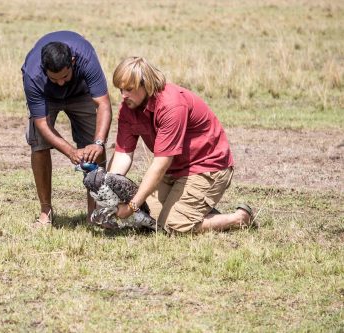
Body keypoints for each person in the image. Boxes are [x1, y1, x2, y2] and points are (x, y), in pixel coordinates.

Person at [108, 56, 255, 234]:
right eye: (120, 89)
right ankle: (194, 211)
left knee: (172, 226)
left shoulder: (171, 105)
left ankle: (239, 218)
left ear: (145, 84)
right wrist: (109, 190)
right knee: (148, 220)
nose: (123, 95)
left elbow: (161, 163)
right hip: (174, 170)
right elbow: (123, 154)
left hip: (206, 167)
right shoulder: (128, 108)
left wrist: (131, 206)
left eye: (129, 89)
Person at [22, 31, 112, 228]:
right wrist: (70, 152)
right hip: (46, 97)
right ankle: (46, 211)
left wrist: (98, 143)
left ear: (72, 61)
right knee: (38, 145)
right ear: (44, 70)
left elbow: (103, 104)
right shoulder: (33, 74)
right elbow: (42, 123)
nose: (61, 82)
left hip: (81, 93)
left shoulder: (86, 58)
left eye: (64, 76)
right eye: (54, 79)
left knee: (96, 148)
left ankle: (95, 213)